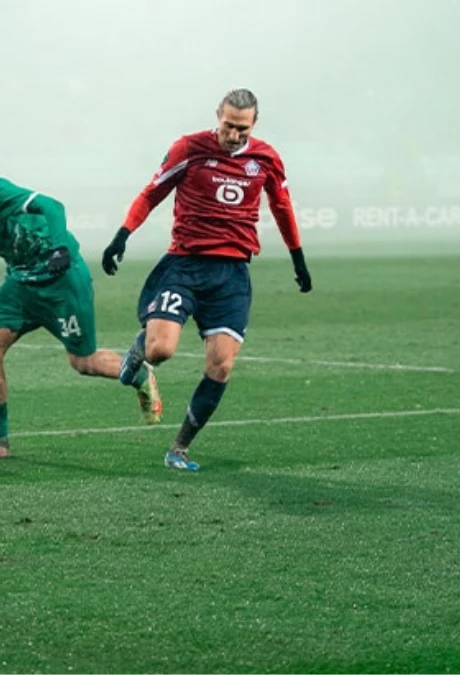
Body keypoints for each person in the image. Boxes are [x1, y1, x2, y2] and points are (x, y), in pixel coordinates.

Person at [100, 88, 312, 472]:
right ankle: (138, 353)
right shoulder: (189, 148)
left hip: (231, 275)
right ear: (218, 115)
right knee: (161, 351)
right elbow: (152, 193)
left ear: (254, 124)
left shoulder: (265, 158)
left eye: (242, 129)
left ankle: (178, 448)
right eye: (228, 125)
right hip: (184, 264)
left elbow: (282, 206)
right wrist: (122, 234)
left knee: (221, 366)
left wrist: (297, 257)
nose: (234, 134)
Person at [0, 151, 162, 459]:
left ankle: (140, 374)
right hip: (20, 283)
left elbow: (52, 205)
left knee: (83, 362)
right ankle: (0, 444)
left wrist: (60, 247)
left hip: (60, 279)